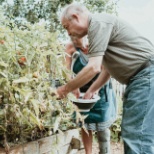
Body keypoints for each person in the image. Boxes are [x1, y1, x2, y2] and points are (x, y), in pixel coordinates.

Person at [57, 2, 154, 154]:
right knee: (135, 133)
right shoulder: (97, 30)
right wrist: (92, 90)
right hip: (140, 78)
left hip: (145, 75)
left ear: (76, 17)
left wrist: (64, 89)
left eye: (66, 27)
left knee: (136, 135)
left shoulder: (98, 23)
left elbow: (94, 67)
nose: (68, 33)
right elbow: (107, 70)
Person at [65, 36, 117, 154]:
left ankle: (105, 151)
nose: (84, 48)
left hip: (101, 89)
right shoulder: (70, 47)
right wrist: (73, 84)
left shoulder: (100, 44)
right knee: (85, 124)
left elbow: (105, 69)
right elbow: (65, 70)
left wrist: (96, 88)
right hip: (81, 93)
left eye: (87, 45)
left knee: (102, 126)